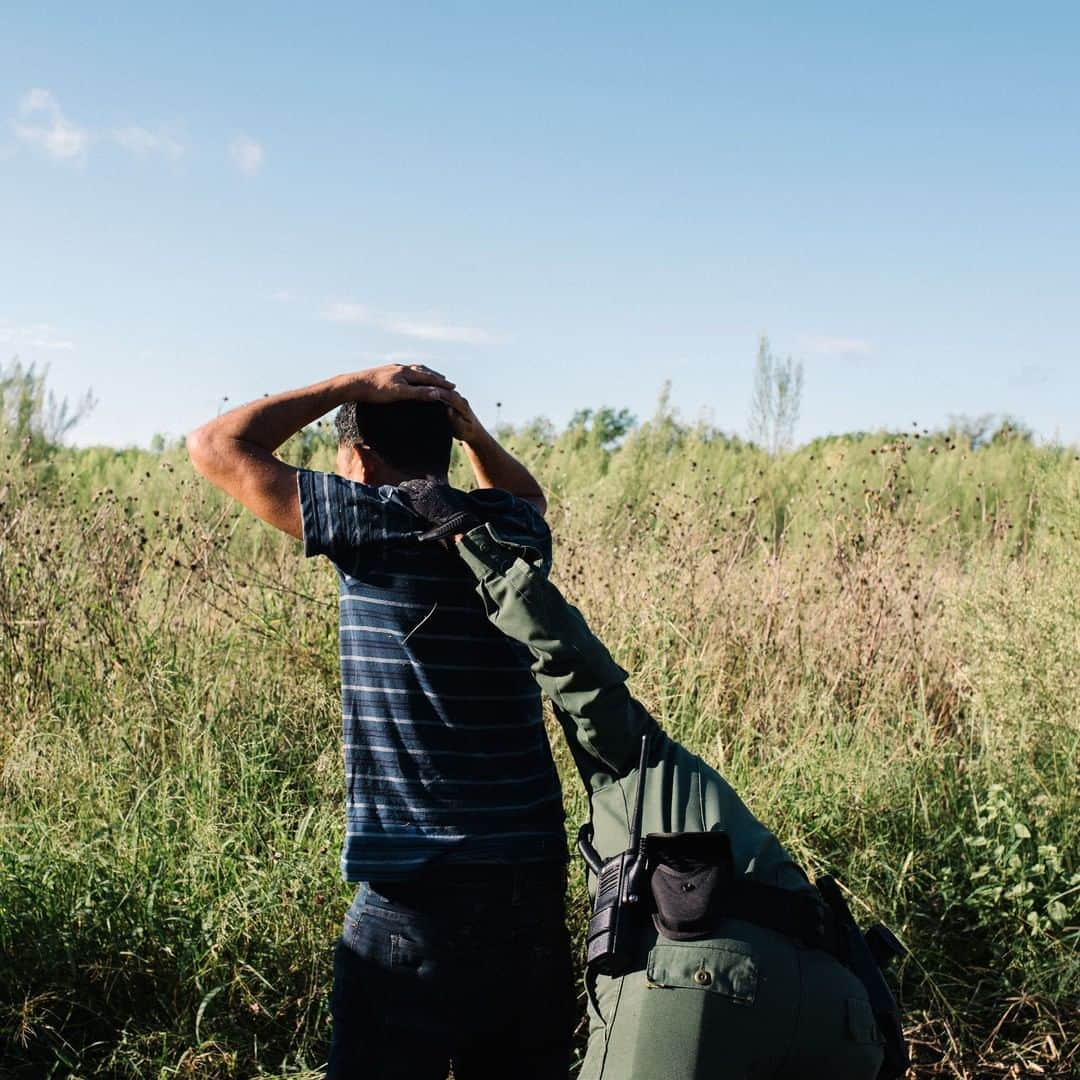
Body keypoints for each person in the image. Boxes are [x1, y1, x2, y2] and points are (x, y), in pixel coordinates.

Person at [399, 483, 903, 1080]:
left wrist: (471, 541)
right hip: (843, 1014)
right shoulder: (688, 782)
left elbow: (570, 661)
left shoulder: (629, 762)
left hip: (702, 984)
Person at [186, 364, 573, 1080]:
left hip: (416, 887)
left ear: (358, 460)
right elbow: (528, 494)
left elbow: (216, 444)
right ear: (448, 444)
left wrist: (351, 384)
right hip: (529, 881)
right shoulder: (512, 530)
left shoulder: (370, 521)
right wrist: (472, 427)